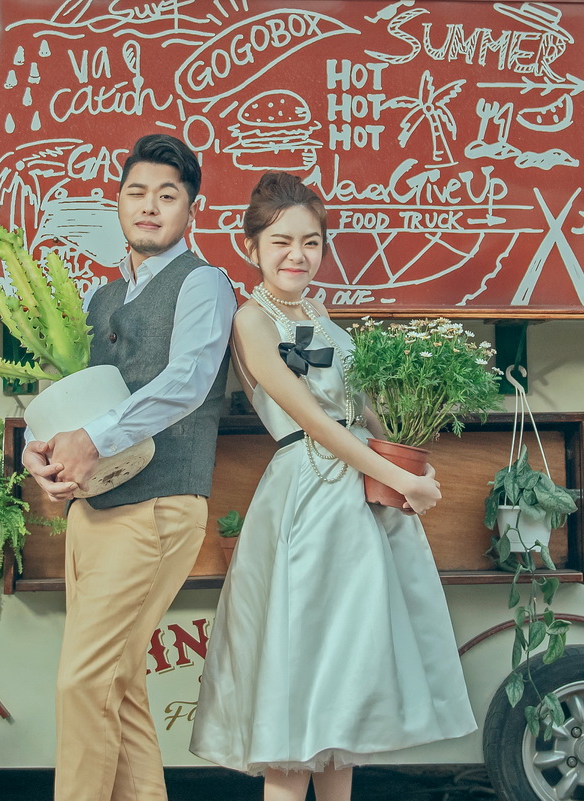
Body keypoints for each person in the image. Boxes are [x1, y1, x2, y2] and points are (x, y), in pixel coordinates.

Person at [189, 172, 476, 801]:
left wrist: (411, 464)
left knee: (342, 691)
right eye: (281, 242)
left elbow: (361, 413)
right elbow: (316, 424)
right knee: (300, 686)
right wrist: (397, 477)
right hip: (308, 497)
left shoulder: (320, 315)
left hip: (359, 500)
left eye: (311, 242)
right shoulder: (250, 321)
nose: (297, 255)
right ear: (251, 247)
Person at [23, 134, 236, 801]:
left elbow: (188, 381)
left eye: (167, 196)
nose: (149, 206)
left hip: (159, 506)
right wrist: (40, 445)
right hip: (94, 511)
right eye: (137, 193)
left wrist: (92, 437)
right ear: (117, 203)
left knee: (83, 682)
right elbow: (73, 396)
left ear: (192, 210)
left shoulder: (203, 283)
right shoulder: (102, 296)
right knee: (119, 683)